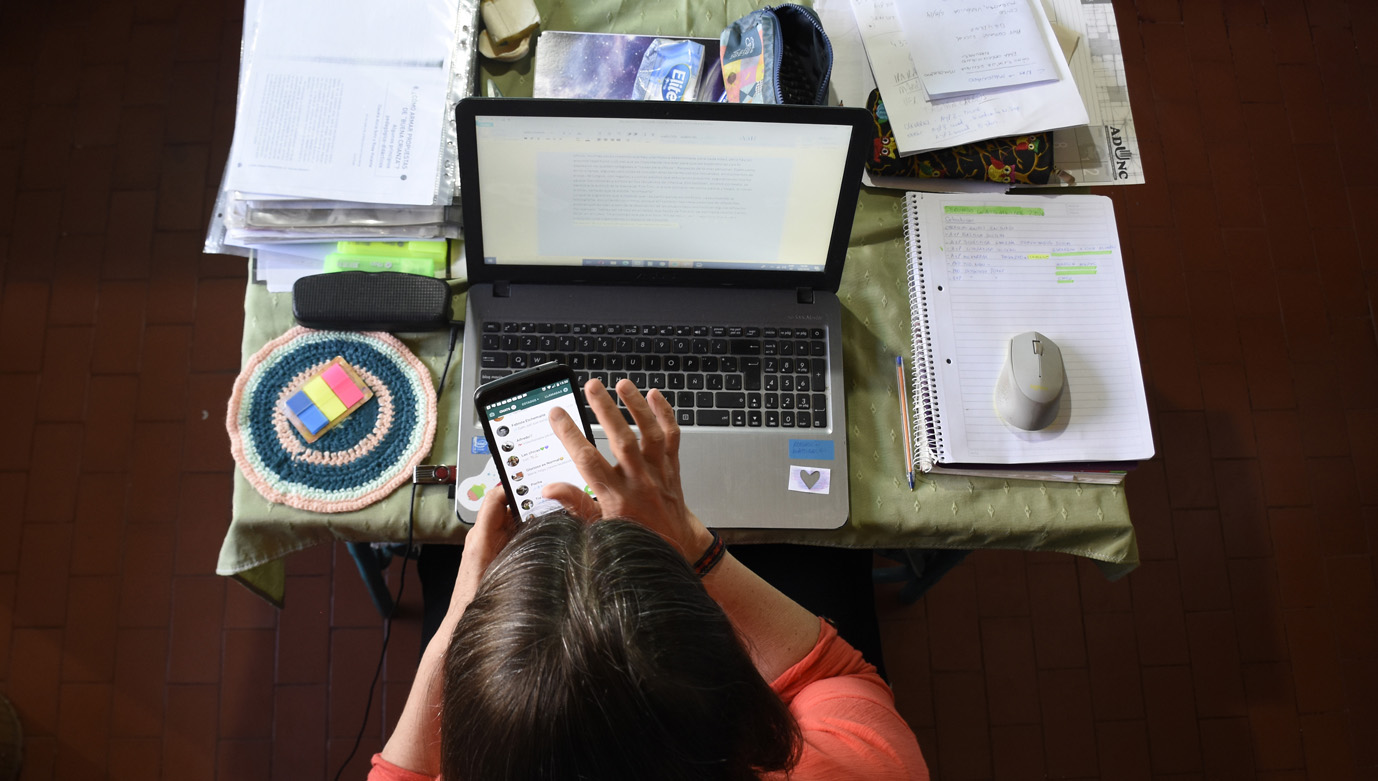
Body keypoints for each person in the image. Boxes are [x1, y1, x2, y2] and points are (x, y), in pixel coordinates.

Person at [370, 379, 929, 780]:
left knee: (436, 562)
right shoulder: (870, 767)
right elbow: (836, 676)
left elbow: (398, 771)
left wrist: (462, 614)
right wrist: (689, 545)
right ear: (743, 703)